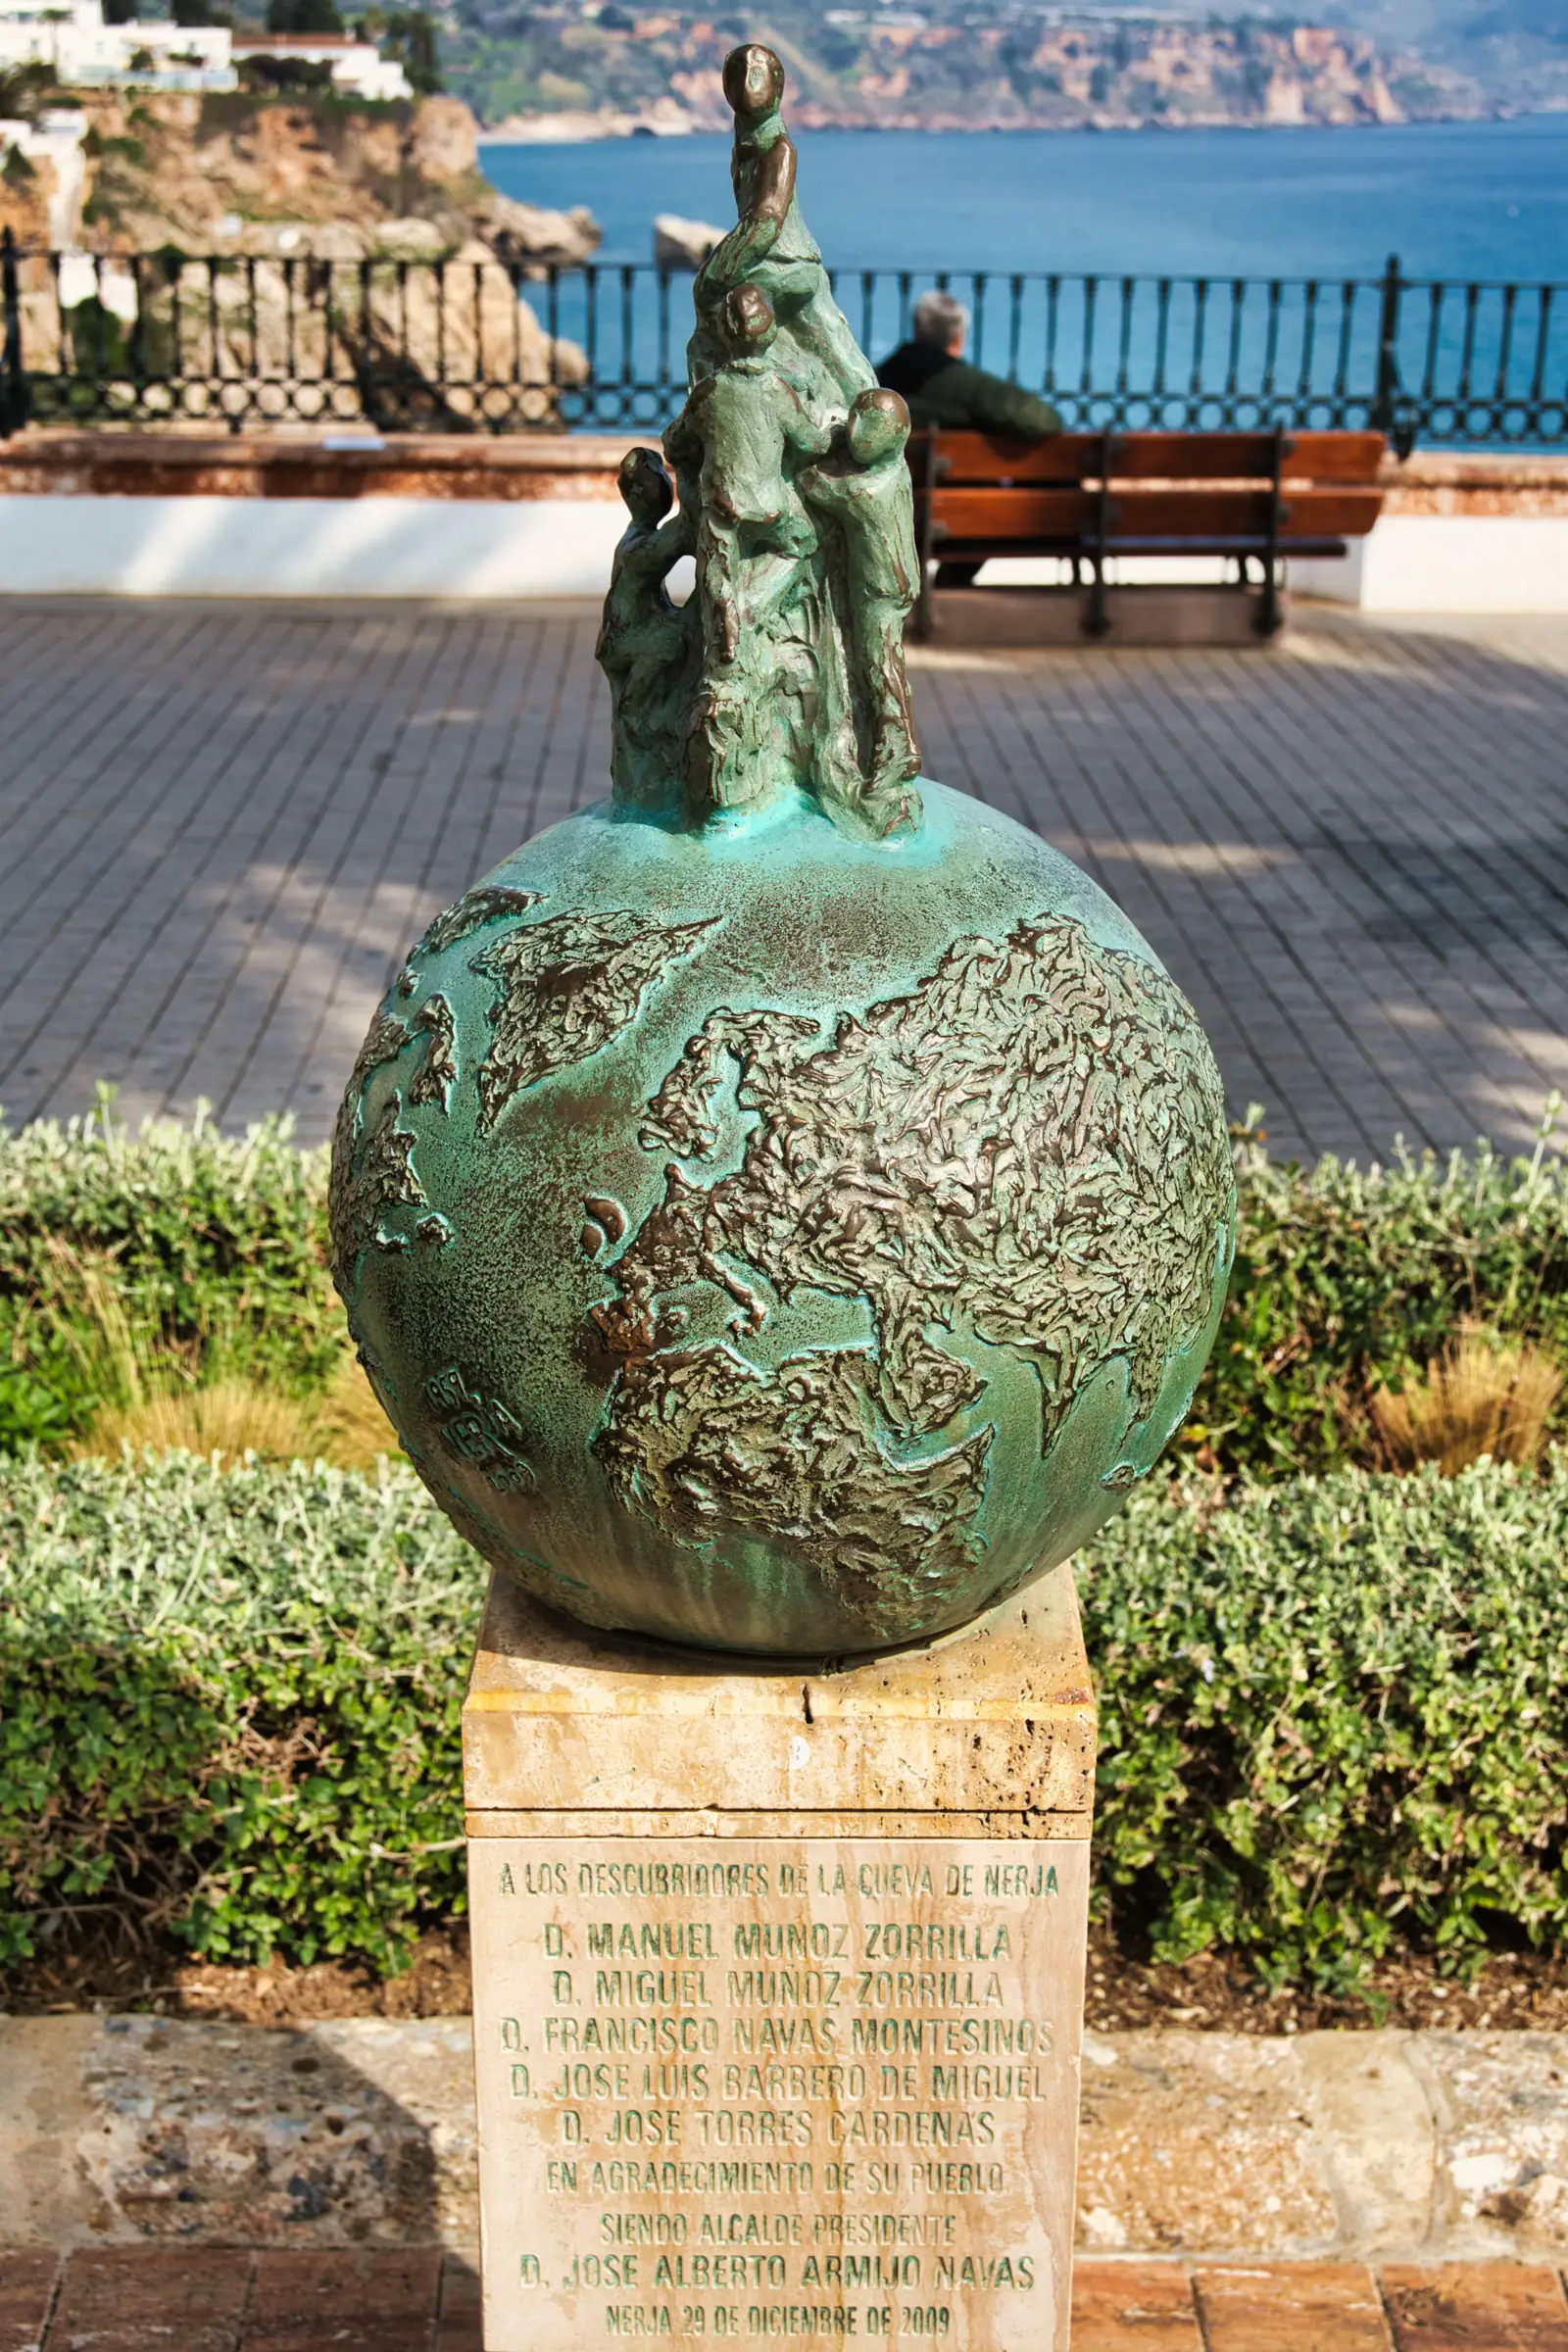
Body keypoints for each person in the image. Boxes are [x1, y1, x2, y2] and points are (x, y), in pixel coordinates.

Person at [801, 386, 921, 826]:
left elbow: (818, 488)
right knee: (886, 666)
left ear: (893, 438)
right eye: (853, 423)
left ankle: (897, 751)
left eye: (867, 431)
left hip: (881, 590)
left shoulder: (870, 489)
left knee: (879, 670)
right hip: (891, 586)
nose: (855, 435)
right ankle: (896, 746)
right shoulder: (898, 470)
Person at [877, 290, 1062, 437]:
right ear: (958, 338)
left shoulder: (874, 384)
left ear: (916, 329)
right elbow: (1044, 420)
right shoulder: (971, 388)